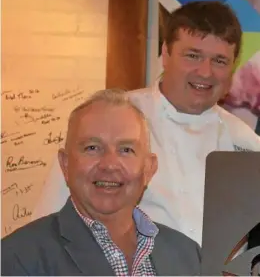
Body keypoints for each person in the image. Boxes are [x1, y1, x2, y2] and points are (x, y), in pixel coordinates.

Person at [32, 1, 260, 247]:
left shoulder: (245, 141)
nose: (205, 72)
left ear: (233, 66)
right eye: (193, 56)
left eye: (219, 61)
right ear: (166, 53)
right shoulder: (110, 117)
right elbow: (47, 223)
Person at [1, 89, 201, 276]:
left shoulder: (189, 256)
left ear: (148, 169)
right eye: (92, 148)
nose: (110, 164)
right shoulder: (17, 258)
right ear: (65, 164)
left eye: (126, 150)